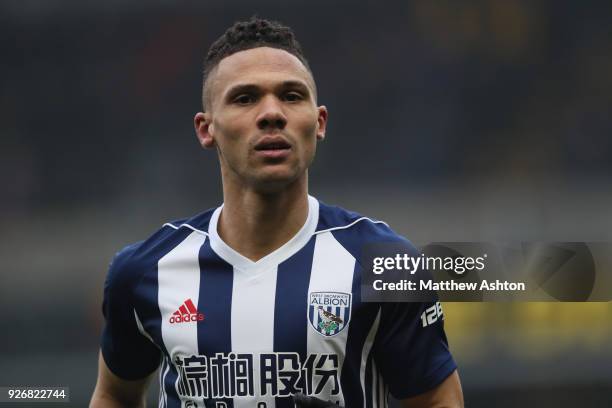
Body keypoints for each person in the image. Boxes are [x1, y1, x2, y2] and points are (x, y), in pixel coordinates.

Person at [90, 17, 463, 408]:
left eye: (291, 95)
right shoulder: (144, 273)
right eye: (245, 98)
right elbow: (114, 395)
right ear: (206, 129)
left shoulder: (385, 264)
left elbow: (440, 400)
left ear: (318, 123)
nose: (271, 113)